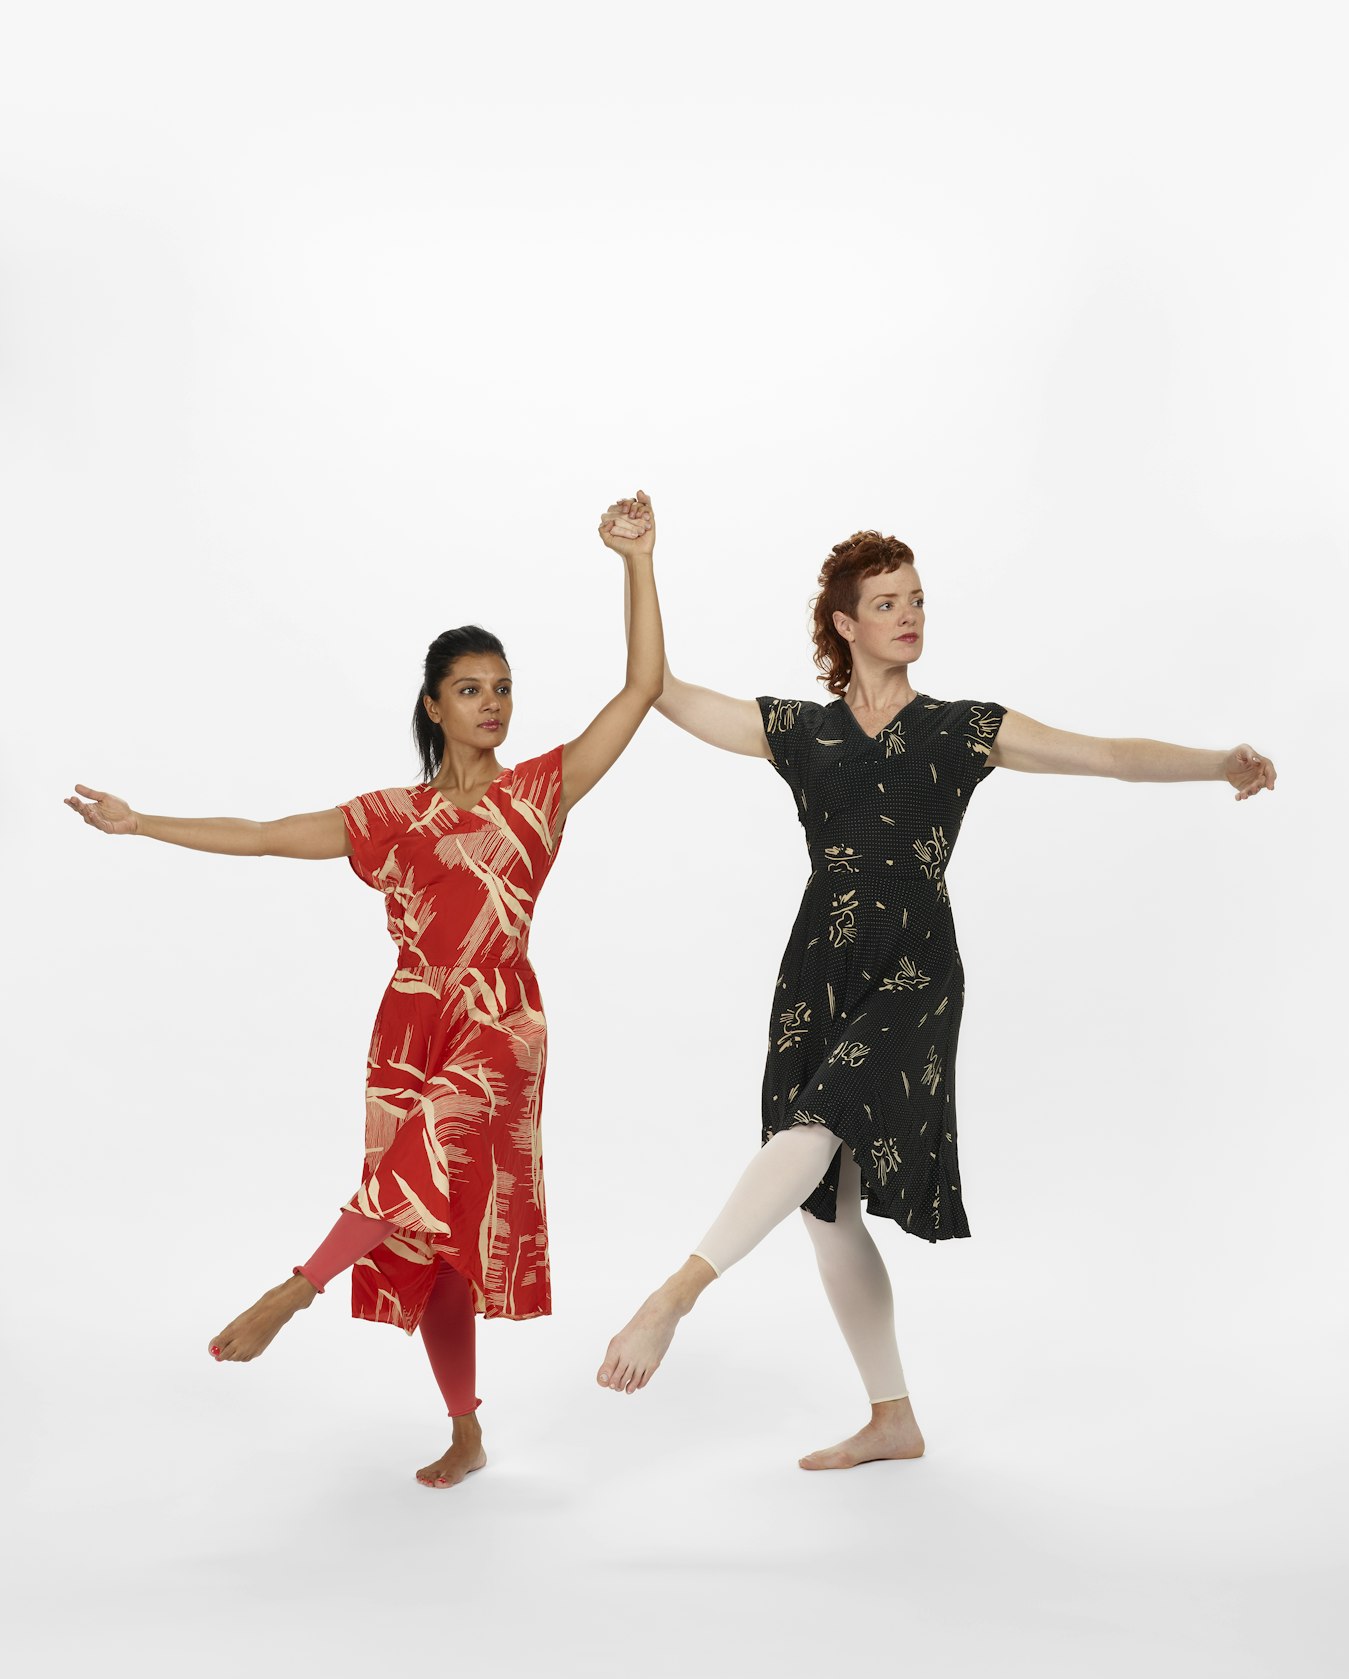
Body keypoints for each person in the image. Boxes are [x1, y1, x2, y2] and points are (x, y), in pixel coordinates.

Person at [595, 493, 1277, 1472]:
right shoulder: (800, 732)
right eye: (886, 603)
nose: (908, 615)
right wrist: (638, 563)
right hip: (819, 966)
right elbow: (653, 687)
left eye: (916, 598)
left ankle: (672, 1297)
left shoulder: (963, 730)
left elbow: (1105, 757)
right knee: (825, 1207)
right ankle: (893, 1420)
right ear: (843, 624)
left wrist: (1217, 762)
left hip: (916, 963)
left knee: (816, 1124)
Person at [65, 500, 663, 1490]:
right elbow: (265, 836)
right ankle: (466, 1430)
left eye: (503, 689)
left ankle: (295, 1289)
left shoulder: (538, 794)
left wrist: (636, 560)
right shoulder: (392, 817)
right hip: (410, 1024)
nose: (492, 705)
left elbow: (640, 688)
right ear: (433, 705)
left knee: (425, 1157)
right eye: (469, 689)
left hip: (501, 1020)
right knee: (426, 1236)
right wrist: (141, 823)